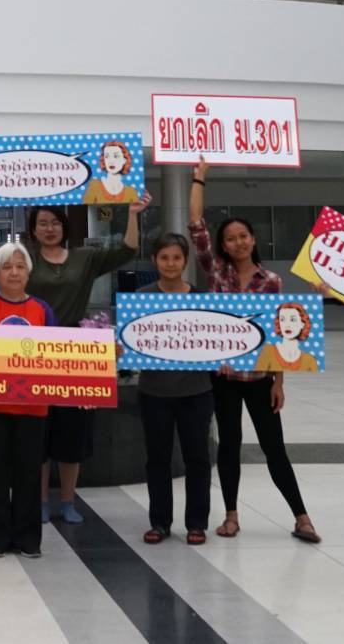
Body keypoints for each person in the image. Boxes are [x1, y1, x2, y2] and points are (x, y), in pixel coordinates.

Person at [0, 192, 147, 524]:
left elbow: (127, 251)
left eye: (55, 222)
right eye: (42, 223)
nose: (49, 228)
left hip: (72, 351)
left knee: (72, 432)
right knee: (36, 429)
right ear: (33, 229)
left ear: (64, 226)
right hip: (27, 350)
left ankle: (67, 501)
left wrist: (134, 214)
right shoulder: (25, 258)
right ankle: (38, 501)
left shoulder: (85, 257)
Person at [187, 160, 320, 544]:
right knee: (228, 445)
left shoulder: (272, 281)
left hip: (261, 378)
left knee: (273, 448)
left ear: (253, 239)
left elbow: (280, 334)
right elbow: (196, 224)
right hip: (225, 378)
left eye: (243, 236)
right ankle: (230, 516)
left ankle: (302, 516)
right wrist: (199, 177)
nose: (238, 243)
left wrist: (280, 380)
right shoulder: (216, 273)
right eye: (230, 238)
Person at [0, 243, 56, 559]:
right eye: (7, 267)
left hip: (32, 407)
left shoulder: (43, 310)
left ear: (29, 272)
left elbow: (56, 358)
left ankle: (27, 538)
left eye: (20, 266)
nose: (14, 272)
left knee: (28, 473)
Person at [133, 233, 215, 545]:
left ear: (185, 260)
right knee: (157, 459)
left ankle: (197, 523)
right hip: (154, 392)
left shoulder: (201, 299)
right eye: (164, 258)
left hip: (196, 391)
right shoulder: (141, 297)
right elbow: (130, 341)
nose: (170, 264)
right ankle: (160, 522)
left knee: (197, 459)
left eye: (176, 258)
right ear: (154, 260)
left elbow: (214, 343)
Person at [253, 302, 320, 374]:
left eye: (292, 320)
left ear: (302, 324)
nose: (287, 325)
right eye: (282, 319)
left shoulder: (309, 360)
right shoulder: (268, 351)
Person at [79, 140, 138, 206]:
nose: (111, 161)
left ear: (124, 160)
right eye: (107, 156)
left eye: (116, 156)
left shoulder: (131, 191)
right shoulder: (94, 185)